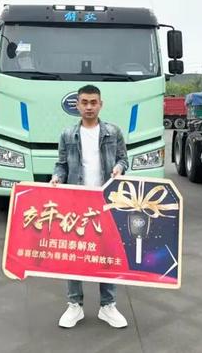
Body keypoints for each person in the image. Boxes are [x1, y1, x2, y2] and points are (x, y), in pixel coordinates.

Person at [50, 84, 129, 329]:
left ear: (100, 104)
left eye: (93, 102)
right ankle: (75, 305)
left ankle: (108, 306)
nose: (89, 107)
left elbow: (124, 159)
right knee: (74, 253)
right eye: (84, 102)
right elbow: (61, 165)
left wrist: (119, 168)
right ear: (77, 105)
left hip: (106, 201)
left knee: (107, 253)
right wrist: (57, 178)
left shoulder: (113, 132)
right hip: (77, 202)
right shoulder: (67, 135)